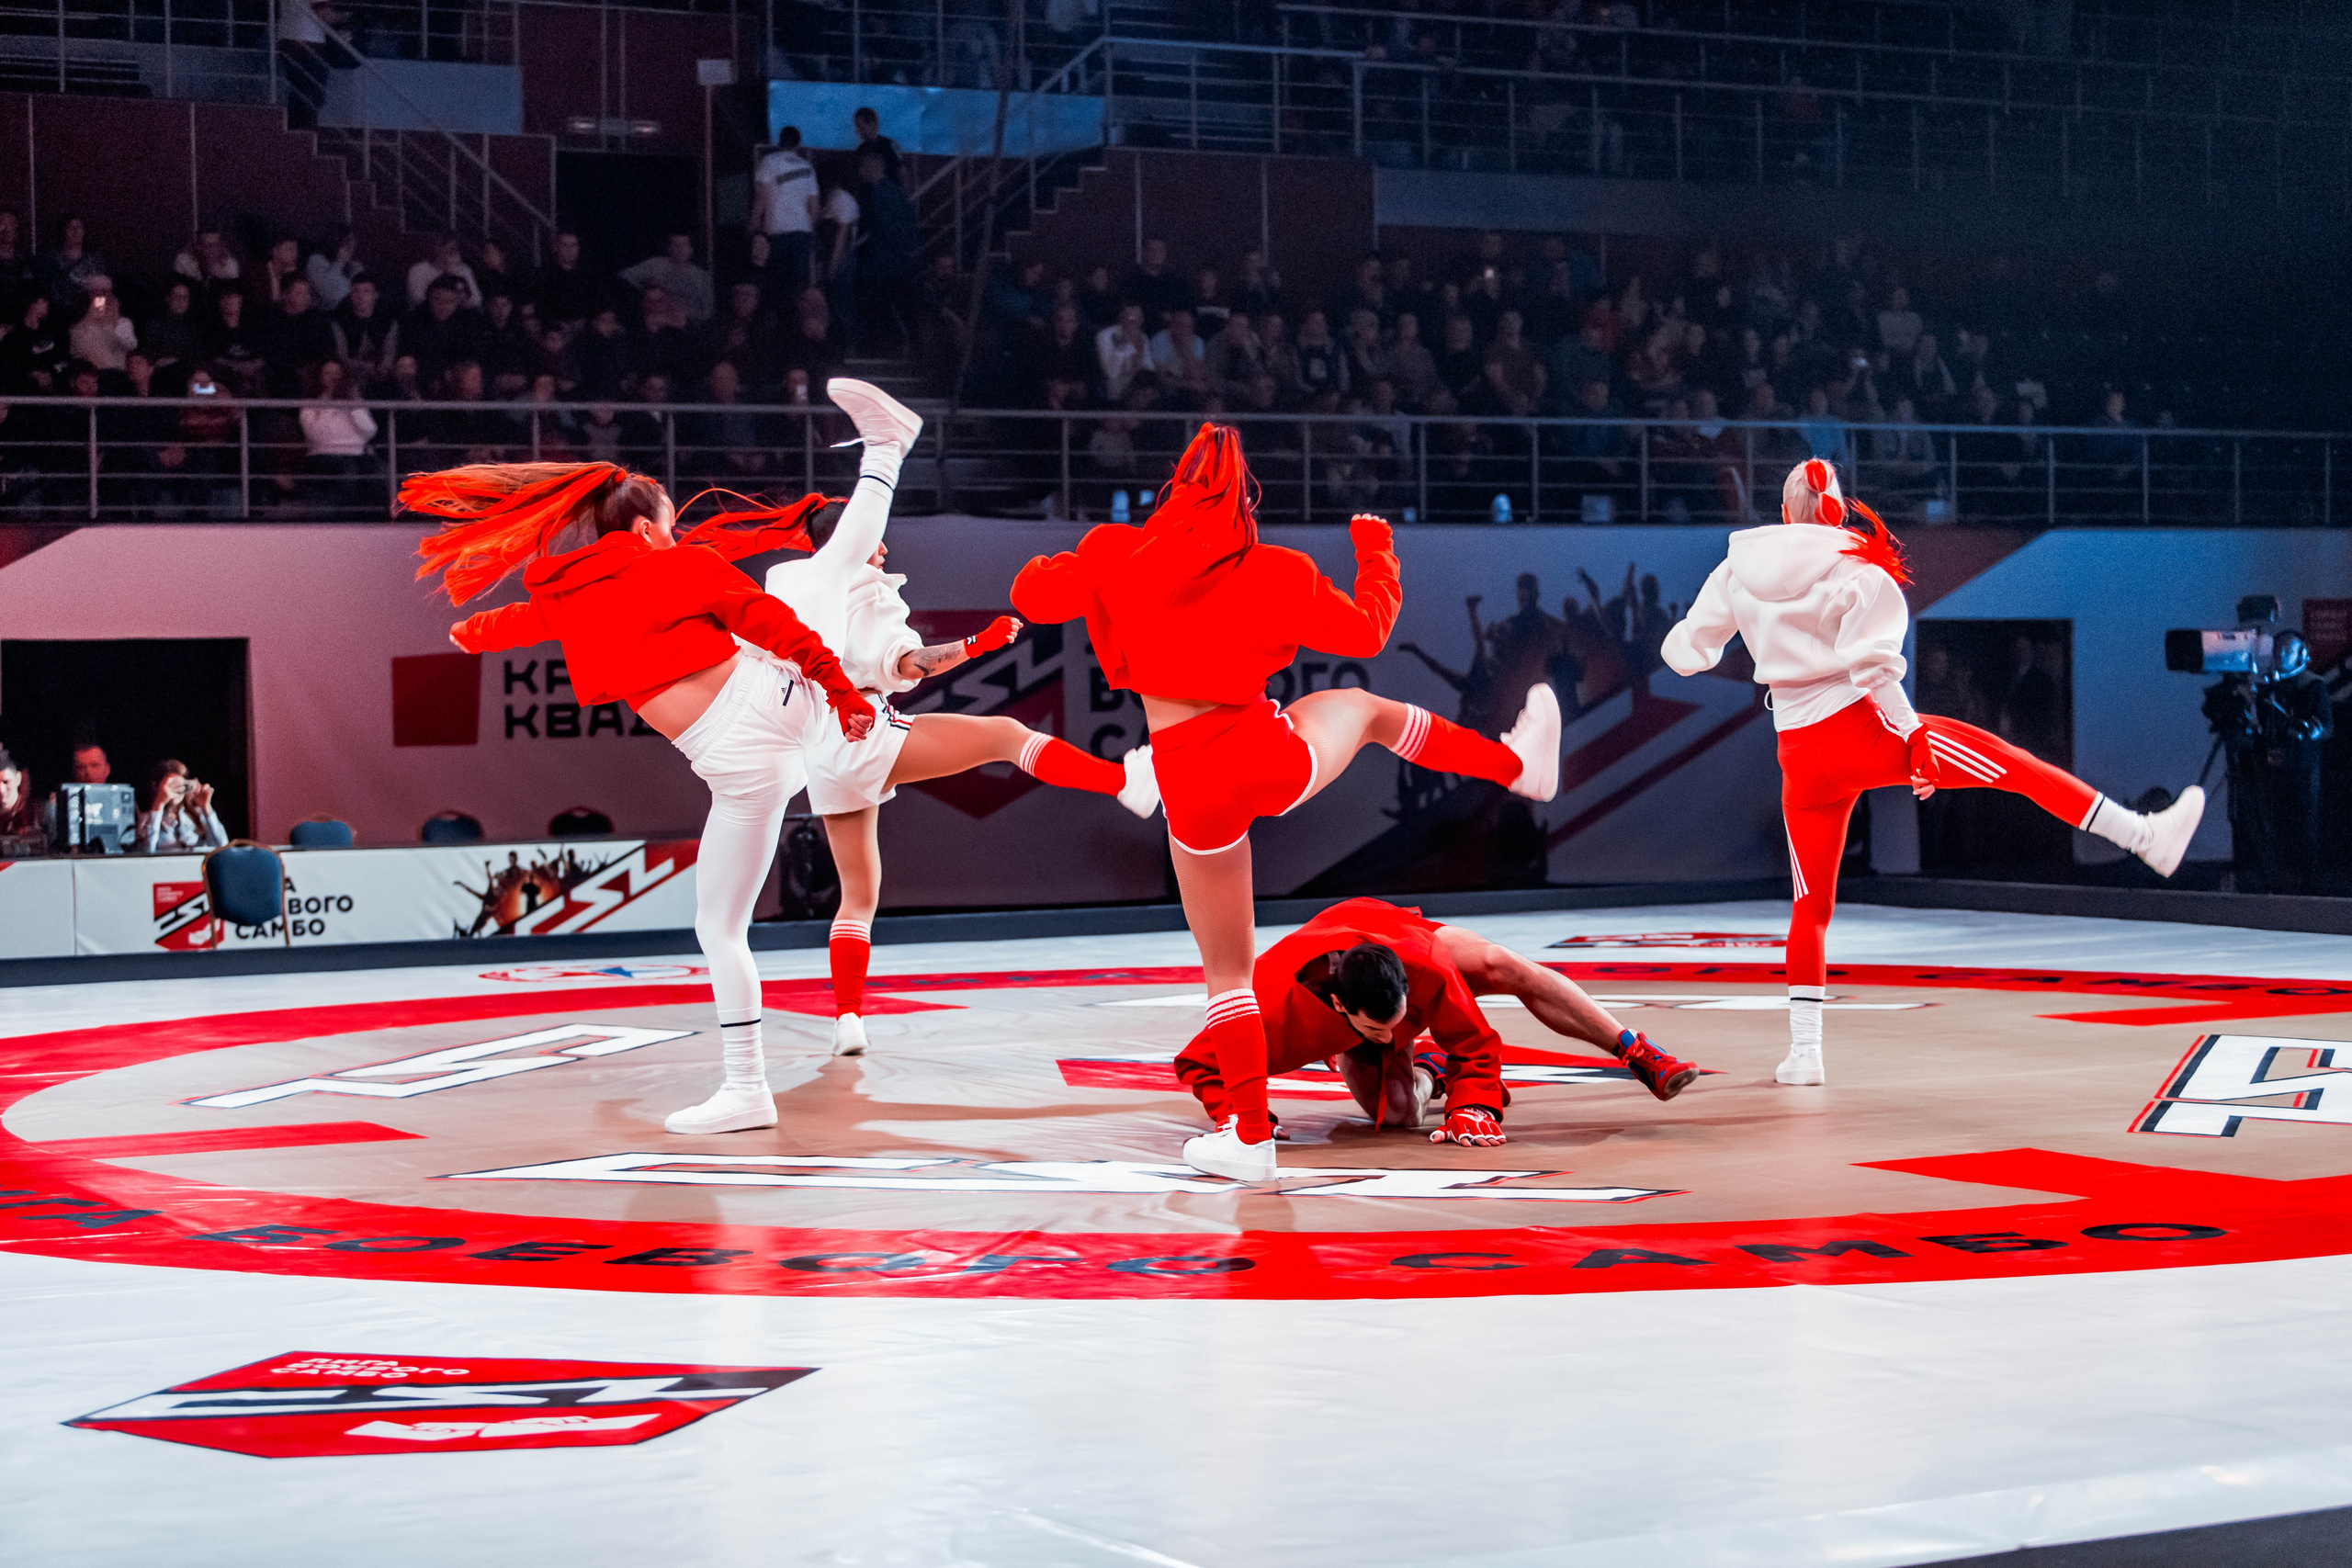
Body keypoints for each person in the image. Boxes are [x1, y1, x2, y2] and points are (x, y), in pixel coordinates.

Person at [1011, 423, 1562, 1181]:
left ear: (1173, 490)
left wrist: (1073, 560)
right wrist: (1376, 551)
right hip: (1265, 759)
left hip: (1186, 777)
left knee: (1227, 973)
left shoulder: (1115, 552)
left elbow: (1030, 595)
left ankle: (1248, 1136)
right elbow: (1369, 632)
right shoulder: (1278, 570)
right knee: (1366, 711)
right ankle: (1515, 766)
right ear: (1245, 501)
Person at [1659, 459, 2208, 1088]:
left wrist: (1727, 637)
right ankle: (2143, 836)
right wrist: (1914, 734)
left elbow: (1686, 652)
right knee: (2015, 766)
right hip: (1862, 733)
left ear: (1784, 512)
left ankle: (1805, 1052)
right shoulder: (1856, 569)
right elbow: (1875, 671)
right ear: (1838, 508)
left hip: (1800, 756)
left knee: (1810, 908)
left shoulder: (1738, 569)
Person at [417, 461, 875, 1135]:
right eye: (669, 526)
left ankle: (748, 1088)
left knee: (721, 930)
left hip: (754, 739)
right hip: (770, 733)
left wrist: (466, 633)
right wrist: (839, 689)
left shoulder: (579, 593)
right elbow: (768, 617)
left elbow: (511, 624)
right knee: (803, 608)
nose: (677, 534)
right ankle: (874, 491)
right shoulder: (676, 566)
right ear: (641, 529)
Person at [764, 380, 1159, 1057]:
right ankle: (1125, 784)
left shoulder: (787, 584)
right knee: (1005, 735)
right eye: (874, 538)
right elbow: (909, 662)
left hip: (820, 752)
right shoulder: (864, 588)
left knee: (858, 895)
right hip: (864, 729)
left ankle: (848, 1018)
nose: (883, 547)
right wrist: (976, 645)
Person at [1173, 897, 1702, 1145]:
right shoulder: (1269, 1009)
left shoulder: (1425, 964)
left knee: (1501, 963)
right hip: (1321, 992)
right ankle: (1427, 1069)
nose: (1392, 1037)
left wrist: (1474, 1105)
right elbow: (1197, 1063)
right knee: (1401, 1117)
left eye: (1403, 1024)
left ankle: (1636, 1051)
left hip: (1389, 931)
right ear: (1339, 1007)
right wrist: (1239, 1113)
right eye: (1378, 1032)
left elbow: (1475, 1039)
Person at [752, 127, 820, 297]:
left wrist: (754, 224)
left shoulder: (769, 161)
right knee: (800, 288)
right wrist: (810, 230)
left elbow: (761, 197)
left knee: (778, 286)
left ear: (779, 141)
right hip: (802, 233)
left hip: (777, 231)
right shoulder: (807, 167)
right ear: (798, 143)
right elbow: (814, 207)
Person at [621, 233, 715, 326]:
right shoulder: (654, 265)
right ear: (669, 248)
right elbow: (625, 276)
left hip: (685, 322)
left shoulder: (702, 277)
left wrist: (685, 314)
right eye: (676, 245)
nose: (679, 249)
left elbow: (708, 312)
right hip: (654, 317)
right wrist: (645, 285)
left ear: (691, 250)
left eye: (684, 245)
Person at [139, 759, 230, 853]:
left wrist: (206, 807)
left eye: (180, 785)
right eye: (171, 785)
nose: (176, 790)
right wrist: (158, 804)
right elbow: (145, 852)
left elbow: (223, 846)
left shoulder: (196, 816)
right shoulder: (147, 819)